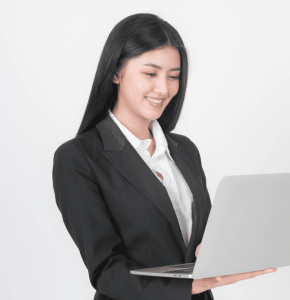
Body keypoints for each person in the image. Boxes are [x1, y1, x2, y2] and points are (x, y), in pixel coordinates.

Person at [52, 13, 277, 300]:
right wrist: (188, 286)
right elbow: (106, 271)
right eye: (151, 73)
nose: (164, 88)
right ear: (116, 72)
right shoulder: (78, 158)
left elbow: (196, 242)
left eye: (173, 76)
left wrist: (222, 250)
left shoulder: (184, 150)